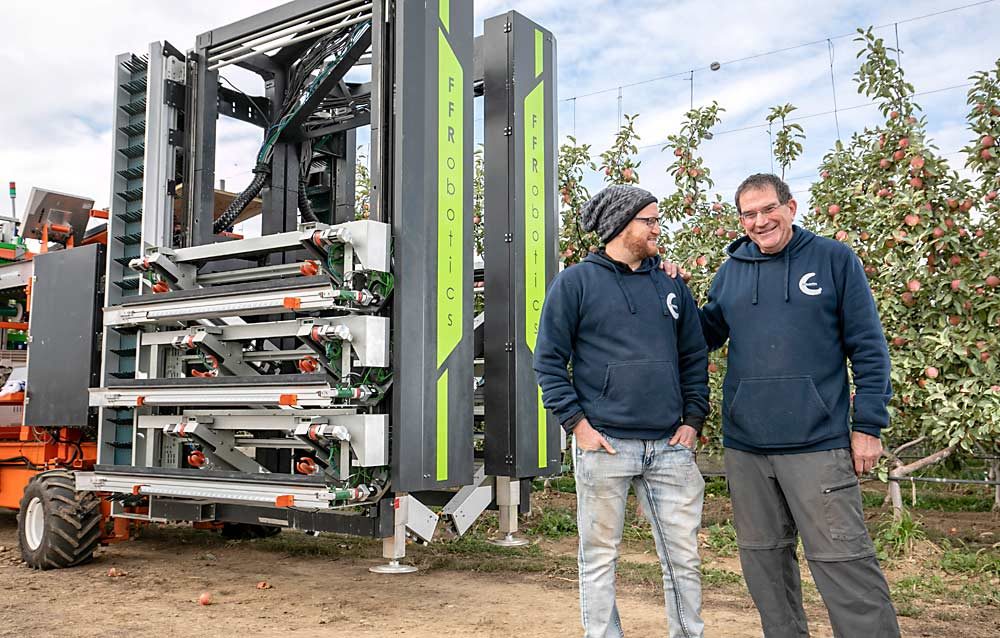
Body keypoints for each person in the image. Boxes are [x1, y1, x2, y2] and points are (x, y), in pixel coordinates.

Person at [666, 173, 900, 638]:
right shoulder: (731, 269)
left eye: (768, 209)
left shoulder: (834, 260)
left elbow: (869, 348)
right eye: (749, 214)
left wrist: (867, 426)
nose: (760, 221)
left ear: (791, 207)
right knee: (763, 564)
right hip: (748, 447)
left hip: (817, 442)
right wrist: (671, 292)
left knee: (843, 561)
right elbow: (705, 335)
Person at [533, 184, 710, 638]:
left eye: (657, 219)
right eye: (649, 220)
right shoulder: (575, 282)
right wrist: (577, 425)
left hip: (671, 446)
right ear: (620, 225)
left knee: (683, 560)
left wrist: (693, 421)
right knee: (598, 557)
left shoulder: (671, 283)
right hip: (606, 445)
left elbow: (693, 355)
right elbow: (548, 361)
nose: (657, 228)